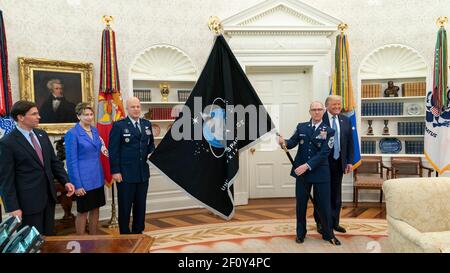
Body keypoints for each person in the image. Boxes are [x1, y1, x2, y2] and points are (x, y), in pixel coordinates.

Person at [0, 100, 75, 236]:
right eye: (34, 114)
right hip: (27, 203)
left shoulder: (42, 135)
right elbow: (6, 179)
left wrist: (66, 181)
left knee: (48, 239)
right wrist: (13, 207)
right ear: (20, 117)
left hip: (48, 198)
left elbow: (54, 162)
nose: (39, 117)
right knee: (31, 242)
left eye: (38, 113)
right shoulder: (7, 142)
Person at [278, 101, 340, 245]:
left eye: (319, 109)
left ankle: (328, 233)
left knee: (324, 204)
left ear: (324, 111)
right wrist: (283, 142)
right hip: (302, 175)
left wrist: (306, 166)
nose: (317, 112)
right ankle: (300, 233)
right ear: (309, 111)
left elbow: (324, 153)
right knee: (301, 204)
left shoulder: (329, 131)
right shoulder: (301, 127)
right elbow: (292, 142)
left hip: (320, 173)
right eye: (314, 109)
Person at [108, 97, 155, 234]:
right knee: (125, 206)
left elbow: (150, 144)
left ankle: (138, 232)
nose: (136, 109)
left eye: (138, 106)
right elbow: (113, 150)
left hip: (142, 174)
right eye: (133, 107)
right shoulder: (119, 126)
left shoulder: (147, 124)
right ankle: (125, 234)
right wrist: (115, 171)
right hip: (125, 174)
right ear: (127, 109)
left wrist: (151, 152)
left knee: (140, 206)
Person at [314, 95, 354, 235]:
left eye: (339, 104)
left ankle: (334, 222)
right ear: (327, 106)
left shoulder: (346, 120)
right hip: (323, 163)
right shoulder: (320, 119)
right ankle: (320, 223)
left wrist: (349, 161)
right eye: (334, 105)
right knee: (321, 194)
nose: (337, 107)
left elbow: (350, 141)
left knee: (336, 194)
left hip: (339, 162)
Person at [65, 102, 106, 235]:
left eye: (91, 114)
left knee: (96, 208)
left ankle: (94, 238)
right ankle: (81, 241)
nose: (89, 117)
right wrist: (77, 185)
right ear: (78, 116)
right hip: (83, 180)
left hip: (97, 177)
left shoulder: (95, 130)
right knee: (83, 212)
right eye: (85, 115)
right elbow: (72, 161)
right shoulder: (73, 133)